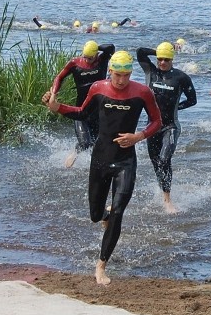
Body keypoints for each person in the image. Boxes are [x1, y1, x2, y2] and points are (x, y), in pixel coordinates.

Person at [42, 51, 163, 286]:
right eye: (117, 75)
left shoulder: (142, 92)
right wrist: (57, 107)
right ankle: (105, 215)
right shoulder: (98, 88)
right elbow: (81, 113)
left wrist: (138, 136)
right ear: (110, 72)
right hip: (100, 160)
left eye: (126, 75)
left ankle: (101, 265)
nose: (121, 80)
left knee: (118, 211)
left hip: (126, 161)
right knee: (96, 215)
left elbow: (157, 121)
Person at [137, 42, 198, 213]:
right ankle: (164, 189)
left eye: (166, 59)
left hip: (170, 126)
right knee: (156, 163)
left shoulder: (181, 77)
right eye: (160, 59)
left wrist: (176, 107)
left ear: (172, 60)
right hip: (152, 126)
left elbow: (193, 100)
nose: (162, 62)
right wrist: (159, 50)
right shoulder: (151, 71)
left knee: (164, 159)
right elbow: (140, 51)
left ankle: (167, 200)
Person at [45, 39, 115, 168]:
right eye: (85, 57)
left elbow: (110, 47)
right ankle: (74, 152)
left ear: (96, 55)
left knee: (97, 144)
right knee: (85, 143)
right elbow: (59, 77)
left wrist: (94, 46)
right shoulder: (75, 63)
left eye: (90, 57)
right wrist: (54, 93)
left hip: (99, 111)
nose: (87, 60)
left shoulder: (102, 60)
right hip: (80, 110)